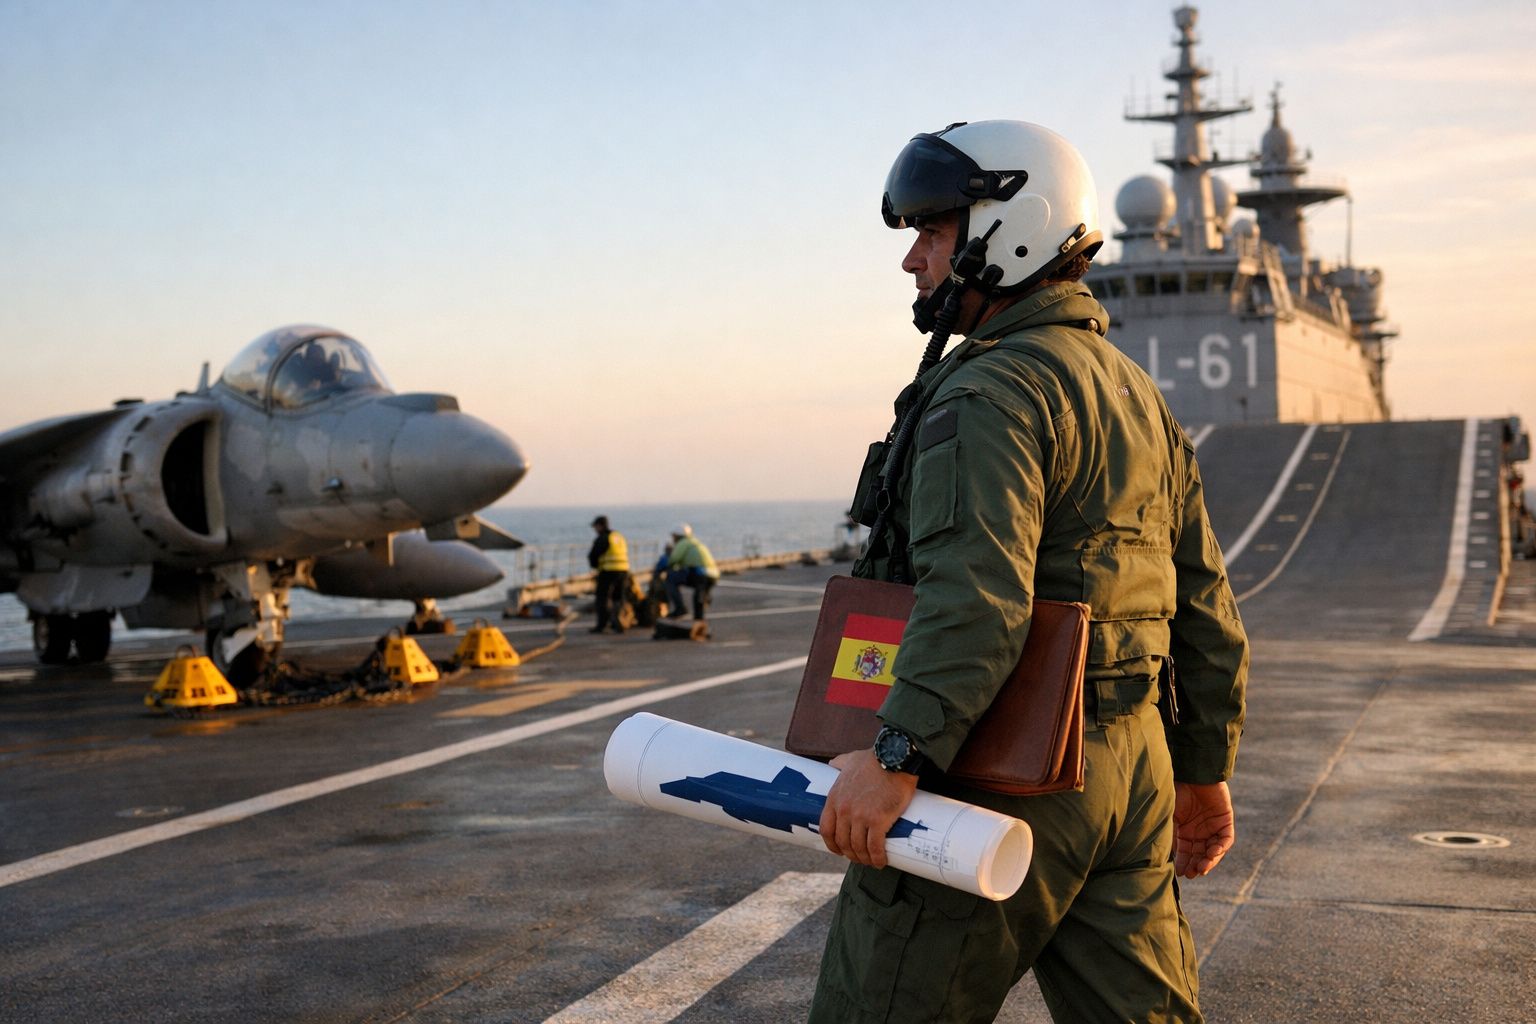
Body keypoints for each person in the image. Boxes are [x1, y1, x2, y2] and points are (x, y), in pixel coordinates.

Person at [811, 120, 1250, 1023]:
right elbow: (1205, 603)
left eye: (933, 233)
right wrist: (1202, 773)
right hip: (1132, 776)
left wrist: (897, 756)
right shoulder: (1138, 396)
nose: (914, 262)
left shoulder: (990, 391)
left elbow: (979, 601)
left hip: (1005, 775)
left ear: (1011, 230)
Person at [664, 524, 720, 621]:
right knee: (698, 598)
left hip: (700, 574)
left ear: (678, 536)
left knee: (670, 579)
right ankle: (699, 622)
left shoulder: (683, 543)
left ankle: (680, 608)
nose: (673, 539)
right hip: (713, 576)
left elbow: (673, 560)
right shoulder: (695, 542)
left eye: (674, 536)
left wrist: (668, 558)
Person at [586, 515, 630, 634]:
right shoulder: (618, 536)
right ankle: (619, 622)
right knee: (619, 598)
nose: (595, 529)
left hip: (608, 571)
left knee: (603, 598)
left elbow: (593, 556)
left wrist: (595, 566)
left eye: (595, 527)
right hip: (624, 571)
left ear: (600, 526)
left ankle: (601, 625)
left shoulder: (603, 538)